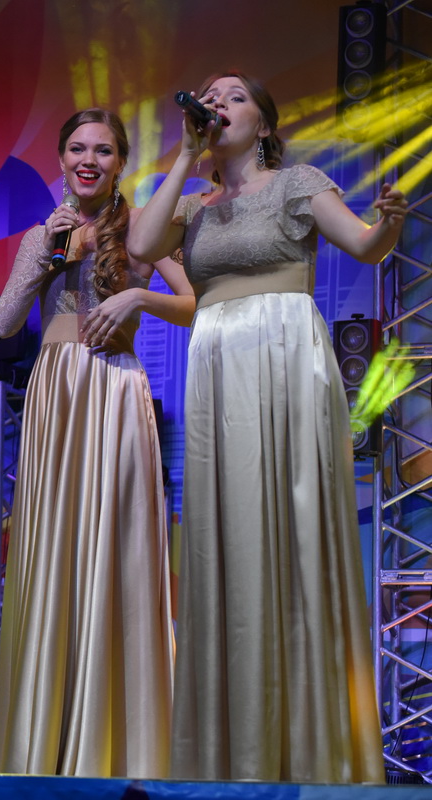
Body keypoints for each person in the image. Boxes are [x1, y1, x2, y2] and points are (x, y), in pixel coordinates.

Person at [127, 71, 407, 782]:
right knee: (225, 533)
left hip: (284, 357)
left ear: (265, 122)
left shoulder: (296, 183)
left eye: (235, 97)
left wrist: (390, 223)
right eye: (211, 96)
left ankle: (311, 742)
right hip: (217, 364)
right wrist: (187, 154)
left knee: (293, 523)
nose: (218, 104)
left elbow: (366, 246)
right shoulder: (193, 205)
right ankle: (230, 746)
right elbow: (142, 244)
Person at [0, 109, 193, 778]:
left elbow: (192, 303)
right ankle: (46, 734)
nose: (89, 160)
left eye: (103, 150)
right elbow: (6, 323)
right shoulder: (42, 233)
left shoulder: (143, 228)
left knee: (116, 546)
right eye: (77, 148)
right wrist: (48, 253)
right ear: (60, 157)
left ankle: (120, 741)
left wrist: (139, 300)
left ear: (120, 162)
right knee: (54, 549)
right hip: (55, 391)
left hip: (113, 389)